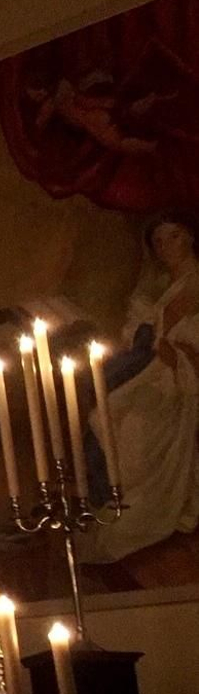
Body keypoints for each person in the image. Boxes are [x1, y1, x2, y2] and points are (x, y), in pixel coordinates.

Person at [81, 212, 199, 564]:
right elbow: (145, 333)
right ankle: (117, 498)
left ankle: (147, 507)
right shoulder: (163, 285)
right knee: (102, 417)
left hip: (183, 382)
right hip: (159, 373)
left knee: (130, 426)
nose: (165, 247)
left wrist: (178, 355)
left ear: (190, 237)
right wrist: (155, 339)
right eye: (158, 241)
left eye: (173, 237)